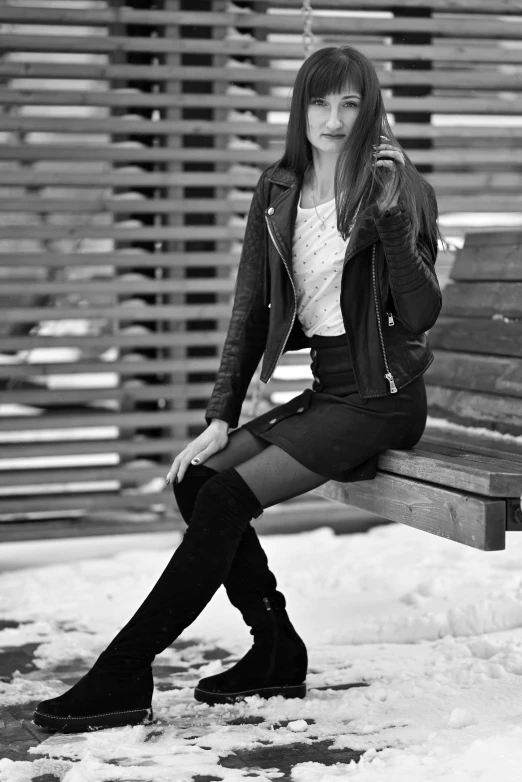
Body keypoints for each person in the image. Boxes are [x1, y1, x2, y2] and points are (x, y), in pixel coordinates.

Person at [34, 45, 442, 733]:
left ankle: (125, 670)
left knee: (224, 496)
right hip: (331, 389)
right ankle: (275, 644)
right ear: (300, 106)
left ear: (370, 107)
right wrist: (220, 416)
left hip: (382, 396)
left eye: (350, 103)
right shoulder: (278, 187)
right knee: (199, 479)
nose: (334, 119)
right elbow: (249, 307)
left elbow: (423, 312)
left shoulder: (396, 186)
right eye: (320, 101)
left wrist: (395, 221)